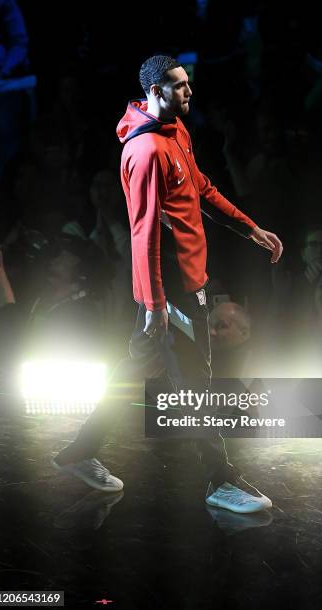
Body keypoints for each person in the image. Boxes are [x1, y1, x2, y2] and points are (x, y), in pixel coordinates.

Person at [52, 55, 283, 514]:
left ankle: (79, 451)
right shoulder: (144, 153)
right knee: (195, 382)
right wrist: (157, 304)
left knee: (137, 370)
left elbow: (201, 187)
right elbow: (143, 235)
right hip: (170, 292)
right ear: (156, 91)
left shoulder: (176, 131)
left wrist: (249, 228)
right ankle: (220, 481)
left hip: (182, 284)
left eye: (188, 84)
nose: (189, 92)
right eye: (179, 87)